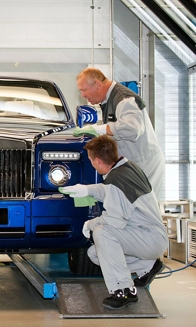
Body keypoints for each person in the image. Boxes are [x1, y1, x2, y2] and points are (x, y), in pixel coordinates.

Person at [61, 135, 168, 310]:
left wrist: (90, 225)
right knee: (94, 254)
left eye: (90, 160)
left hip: (149, 238)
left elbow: (114, 222)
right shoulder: (127, 167)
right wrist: (86, 190)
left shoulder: (116, 179)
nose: (91, 163)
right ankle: (148, 265)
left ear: (97, 161)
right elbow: (113, 193)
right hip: (148, 235)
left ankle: (123, 291)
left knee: (103, 232)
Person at [74, 67, 165, 197]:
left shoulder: (124, 99)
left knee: (139, 212)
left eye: (84, 90)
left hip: (144, 164)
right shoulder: (109, 100)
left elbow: (133, 128)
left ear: (97, 84)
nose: (83, 95)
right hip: (134, 163)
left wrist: (99, 129)